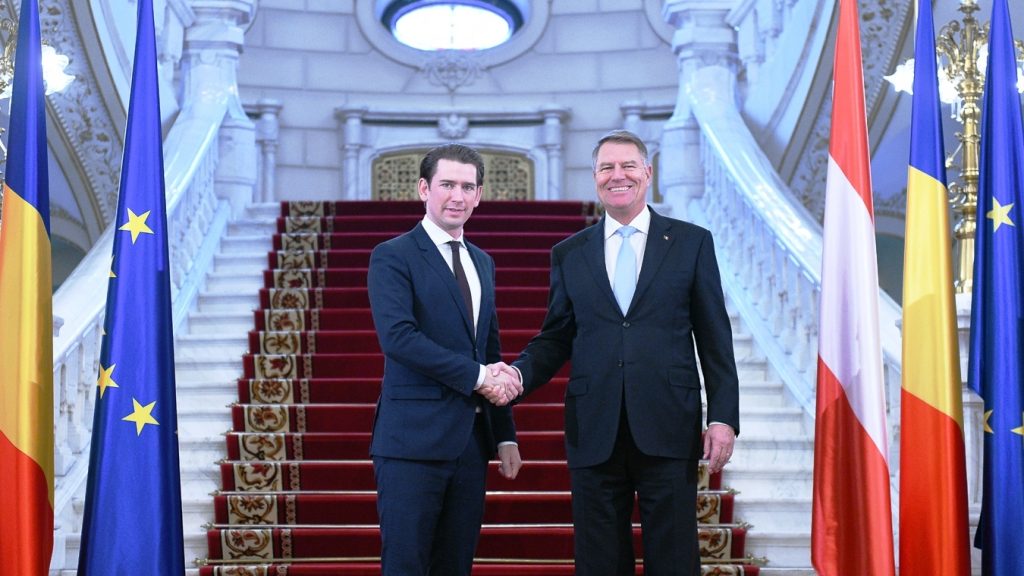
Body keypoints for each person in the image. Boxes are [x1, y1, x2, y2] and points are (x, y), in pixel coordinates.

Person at [501, 130, 740, 575]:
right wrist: (517, 376)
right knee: (600, 561)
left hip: (669, 422)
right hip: (594, 427)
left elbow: (714, 339)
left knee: (674, 558)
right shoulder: (569, 253)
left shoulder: (691, 242)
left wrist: (723, 417)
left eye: (628, 165)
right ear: (594, 177)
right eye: (606, 167)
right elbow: (555, 337)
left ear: (647, 172)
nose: (618, 175)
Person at [367, 143, 523, 576]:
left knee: (455, 566)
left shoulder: (483, 262)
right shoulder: (392, 255)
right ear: (424, 189)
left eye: (467, 187)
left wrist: (504, 435)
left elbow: (489, 351)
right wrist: (479, 377)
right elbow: (399, 339)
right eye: (447, 185)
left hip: (470, 444)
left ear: (479, 195)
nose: (458, 196)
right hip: (411, 443)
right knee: (406, 565)